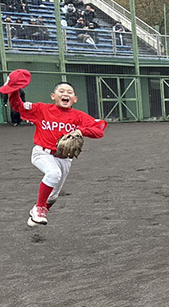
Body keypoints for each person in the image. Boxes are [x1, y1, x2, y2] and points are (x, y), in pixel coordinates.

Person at [3, 72, 107, 227]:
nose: (65, 94)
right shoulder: (41, 109)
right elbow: (17, 105)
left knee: (53, 196)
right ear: (53, 96)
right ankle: (39, 208)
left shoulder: (79, 116)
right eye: (61, 91)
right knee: (53, 173)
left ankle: (38, 211)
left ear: (75, 99)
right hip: (42, 153)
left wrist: (81, 130)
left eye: (69, 92)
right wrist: (14, 89)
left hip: (64, 159)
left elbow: (99, 131)